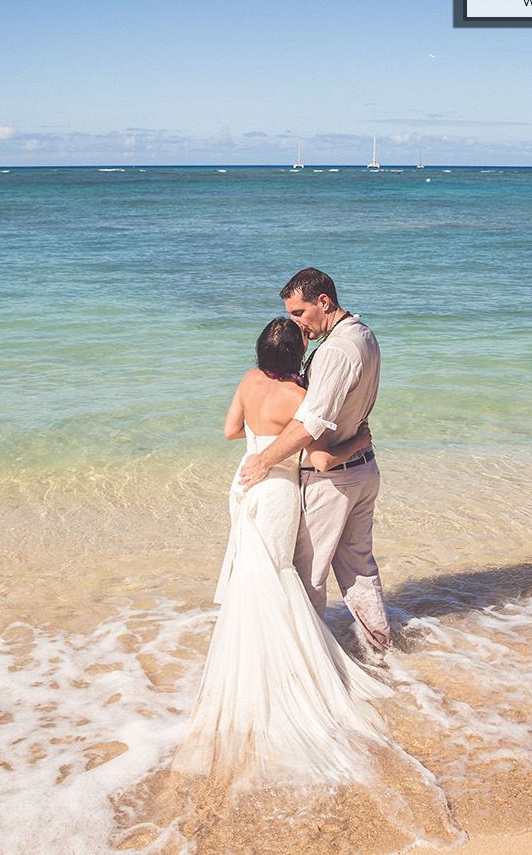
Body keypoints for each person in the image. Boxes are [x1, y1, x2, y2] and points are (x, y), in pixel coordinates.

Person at [172, 317, 391, 785]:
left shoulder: (248, 381)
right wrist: (363, 439)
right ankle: (292, 668)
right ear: (297, 357)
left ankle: (248, 660)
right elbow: (323, 459)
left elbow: (231, 431)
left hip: (243, 487)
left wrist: (259, 436)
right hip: (277, 492)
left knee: (252, 570)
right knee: (279, 572)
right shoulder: (300, 398)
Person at [237, 268, 392, 655]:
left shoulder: (337, 350)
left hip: (331, 480)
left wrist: (264, 460)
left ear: (323, 302)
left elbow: (312, 422)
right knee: (359, 568)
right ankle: (381, 649)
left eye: (300, 313)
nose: (297, 323)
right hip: (360, 468)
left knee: (309, 577)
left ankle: (308, 663)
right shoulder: (363, 334)